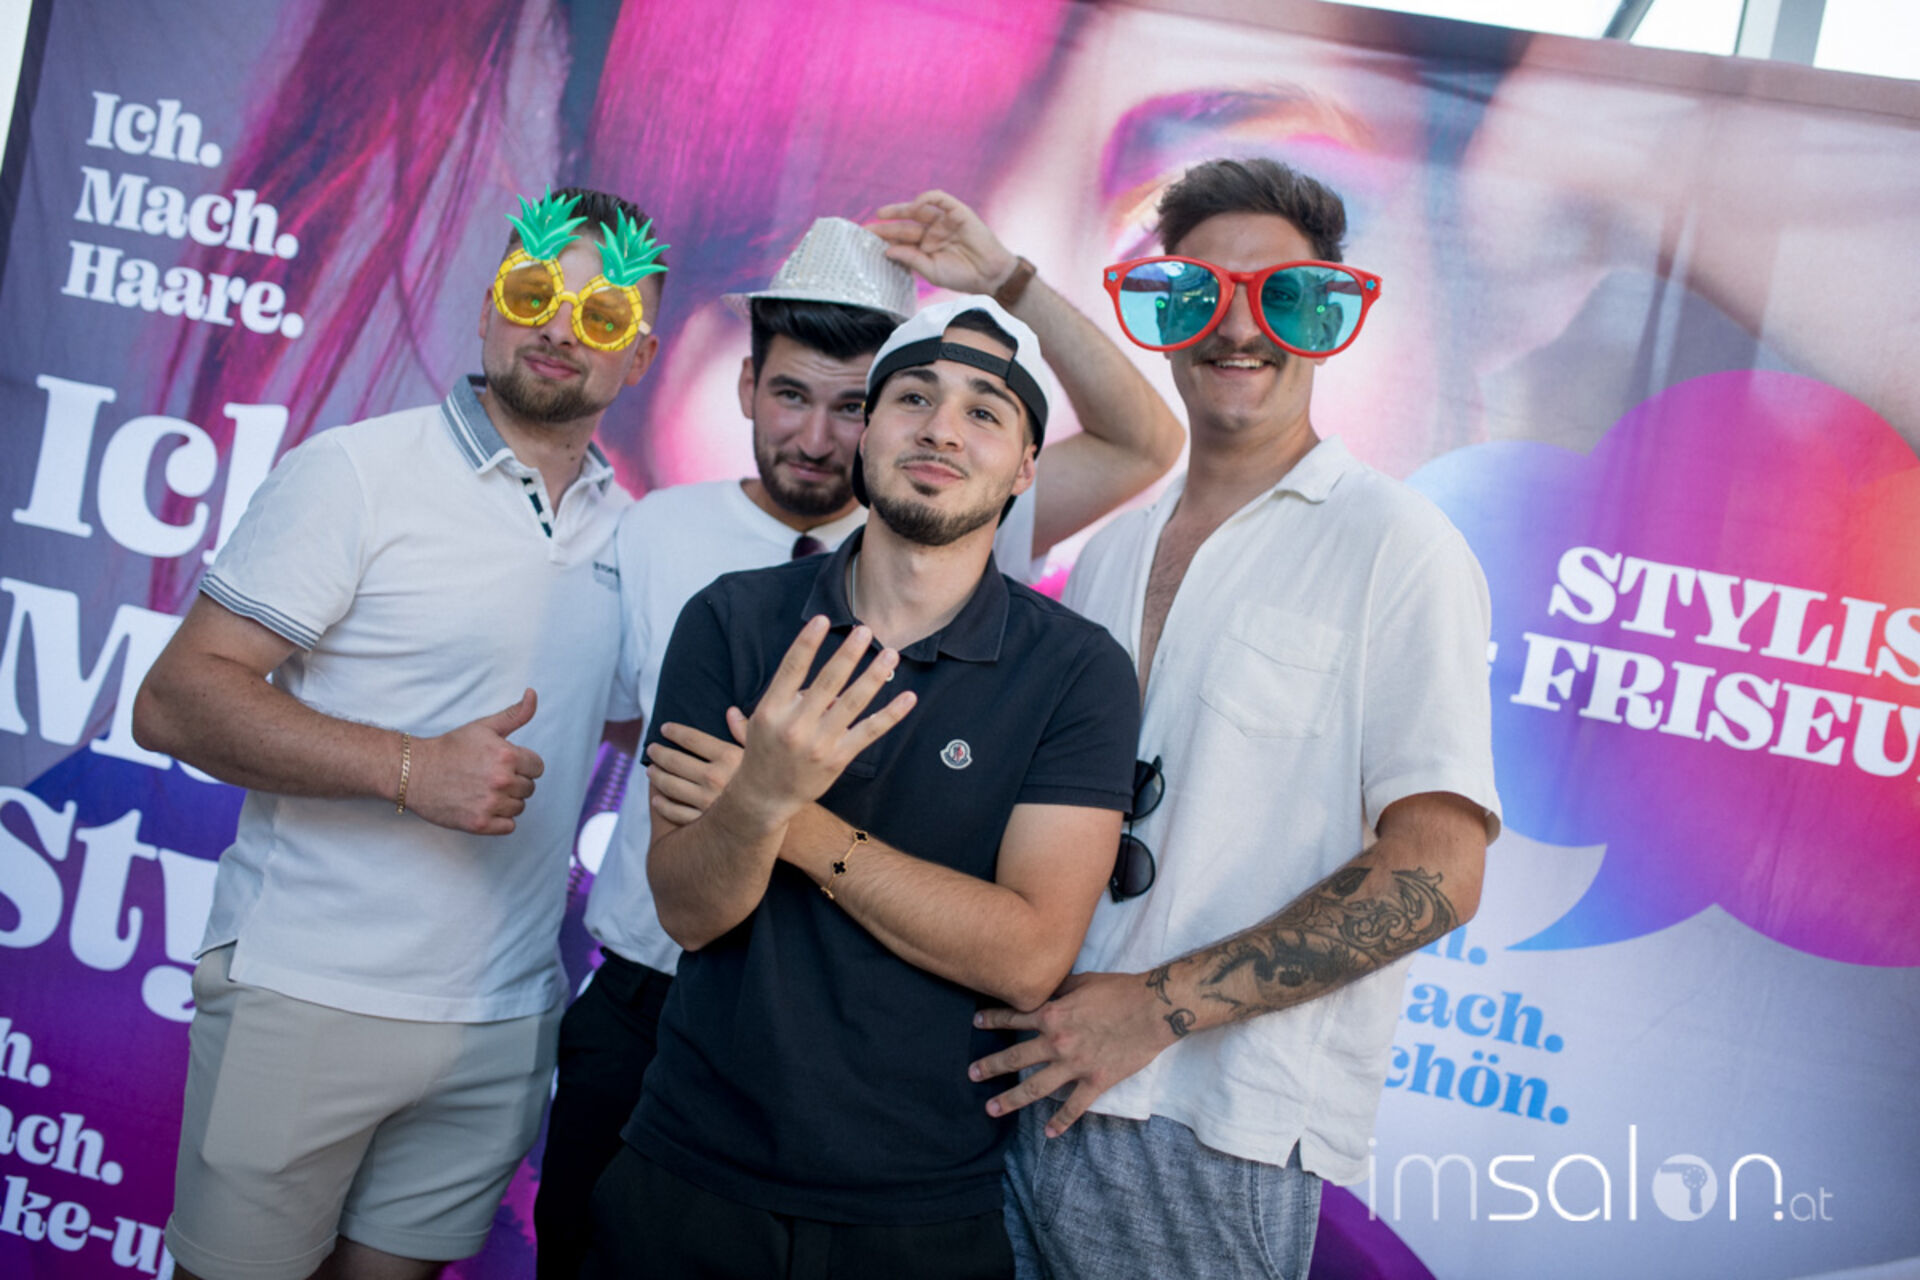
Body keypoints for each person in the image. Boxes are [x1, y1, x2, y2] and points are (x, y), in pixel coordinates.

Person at [535, 196, 1183, 1277]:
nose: (937, 429)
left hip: (915, 1175)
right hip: (678, 1088)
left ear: (1022, 465)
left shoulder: (1066, 660)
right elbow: (682, 888)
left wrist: (780, 809)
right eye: (911, 398)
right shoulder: (710, 590)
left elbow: (1029, 955)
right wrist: (750, 805)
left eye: (981, 412)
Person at [975, 158, 1502, 1278]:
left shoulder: (1398, 547)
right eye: (1201, 291)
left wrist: (1155, 1009)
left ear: (1328, 321)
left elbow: (1440, 869)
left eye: (1284, 295)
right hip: (1036, 1078)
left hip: (1214, 1128)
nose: (1240, 326)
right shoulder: (1114, 546)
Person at [130, 187, 664, 1280]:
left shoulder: (636, 536)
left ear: (639, 356)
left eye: (603, 314)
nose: (561, 328)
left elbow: (627, 715)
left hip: (504, 1016)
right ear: (489, 306)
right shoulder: (357, 473)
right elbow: (176, 699)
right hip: (309, 988)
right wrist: (408, 767)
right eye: (534, 292)